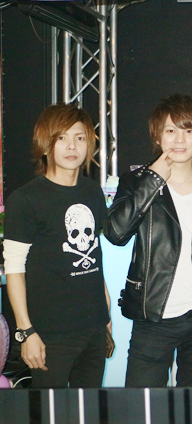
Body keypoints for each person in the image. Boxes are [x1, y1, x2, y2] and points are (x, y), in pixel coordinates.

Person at [103, 94, 192, 387]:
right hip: (153, 318)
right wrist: (154, 179)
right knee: (142, 406)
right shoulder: (136, 182)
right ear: (157, 136)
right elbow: (116, 234)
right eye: (170, 130)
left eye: (188, 130)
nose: (179, 139)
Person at [4, 103, 110, 388]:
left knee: (89, 407)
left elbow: (93, 253)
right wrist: (26, 331)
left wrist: (105, 313)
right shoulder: (25, 199)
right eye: (61, 137)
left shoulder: (92, 191)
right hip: (49, 335)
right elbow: (14, 269)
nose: (71, 146)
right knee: (50, 410)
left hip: (94, 328)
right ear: (45, 144)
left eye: (79, 137)